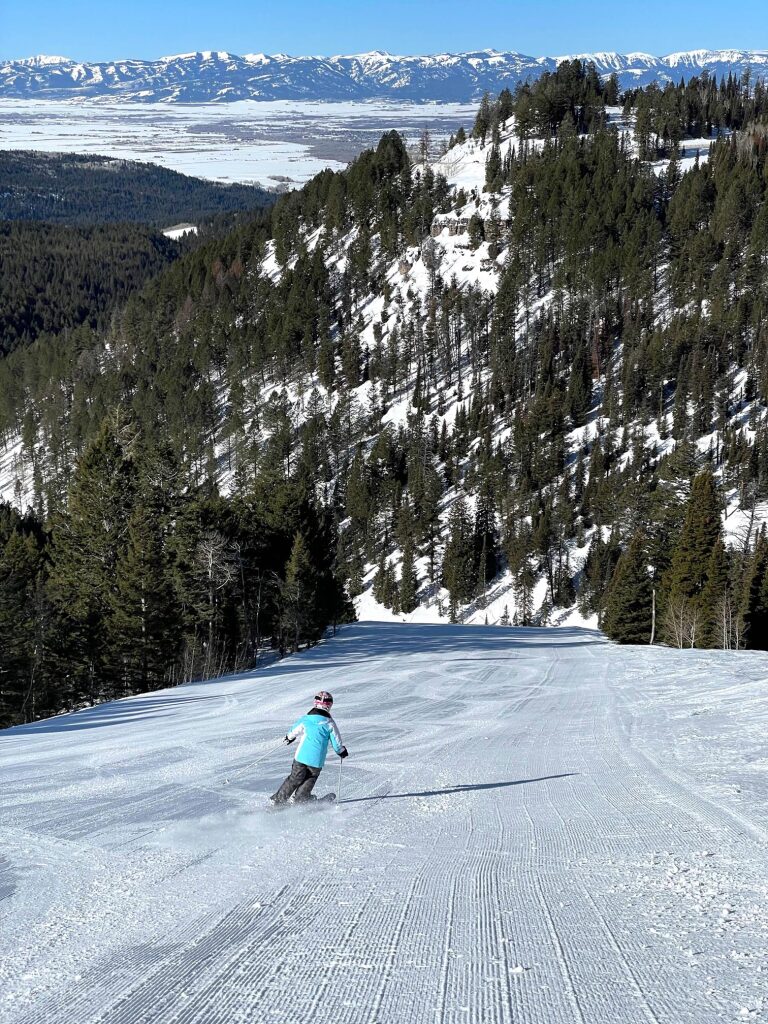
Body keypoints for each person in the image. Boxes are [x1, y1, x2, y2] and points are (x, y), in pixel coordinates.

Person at [270, 690, 348, 805]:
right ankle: (299, 799)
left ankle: (279, 799)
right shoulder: (329, 723)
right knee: (310, 779)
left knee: (295, 778)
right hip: (316, 761)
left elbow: (294, 730)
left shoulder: (306, 719)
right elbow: (336, 742)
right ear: (329, 706)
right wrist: (341, 751)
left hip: (301, 756)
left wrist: (289, 737)